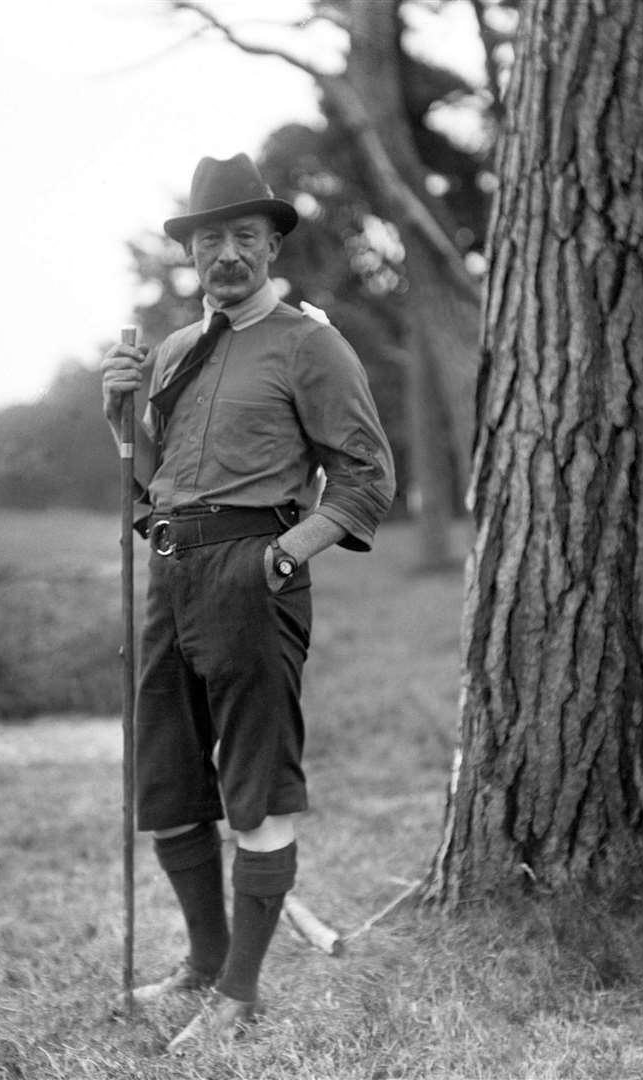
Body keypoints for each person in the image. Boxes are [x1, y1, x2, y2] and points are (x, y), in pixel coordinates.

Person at [101, 153, 396, 1053]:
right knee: (168, 781)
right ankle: (204, 961)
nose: (225, 254)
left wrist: (285, 553)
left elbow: (366, 475)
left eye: (242, 237)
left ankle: (239, 993)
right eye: (208, 240)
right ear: (190, 253)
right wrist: (120, 421)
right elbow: (155, 483)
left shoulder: (311, 343)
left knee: (256, 785)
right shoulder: (175, 355)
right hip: (171, 571)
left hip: (250, 574)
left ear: (270, 245)